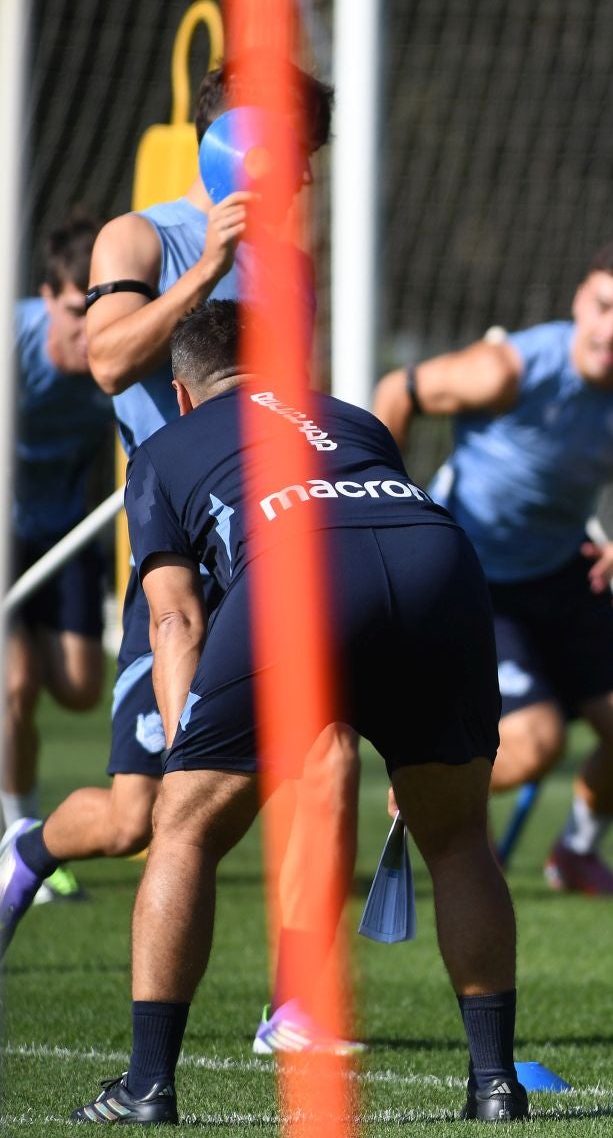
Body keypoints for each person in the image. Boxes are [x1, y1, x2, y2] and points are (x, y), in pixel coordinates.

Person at [5, 302, 524, 1122]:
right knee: (458, 840)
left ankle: (147, 1087)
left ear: (181, 394)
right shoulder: (350, 418)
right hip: (443, 563)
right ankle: (496, 1085)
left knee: (185, 829)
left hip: (302, 570)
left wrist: (187, 757)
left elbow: (175, 616)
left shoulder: (163, 448)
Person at [0, 57, 363, 1056]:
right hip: (170, 557)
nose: (300, 177)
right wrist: (204, 268)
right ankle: (27, 849)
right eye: (291, 153)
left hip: (268, 546)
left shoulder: (292, 261)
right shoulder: (139, 235)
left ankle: (295, 1006)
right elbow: (111, 359)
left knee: (329, 756)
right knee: (137, 816)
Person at [373, 235, 613, 898]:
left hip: (566, 570)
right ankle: (425, 784)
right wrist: (382, 498)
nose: (612, 328)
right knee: (534, 743)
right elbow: (396, 390)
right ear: (581, 299)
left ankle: (575, 854)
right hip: (472, 575)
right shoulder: (509, 368)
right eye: (603, 306)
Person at [7, 212, 114, 903]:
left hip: (67, 532)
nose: (91, 329)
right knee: (13, 684)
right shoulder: (14, 345)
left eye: (101, 310)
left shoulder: (120, 352)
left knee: (77, 686)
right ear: (50, 298)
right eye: (78, 311)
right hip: (5, 532)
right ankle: (16, 837)